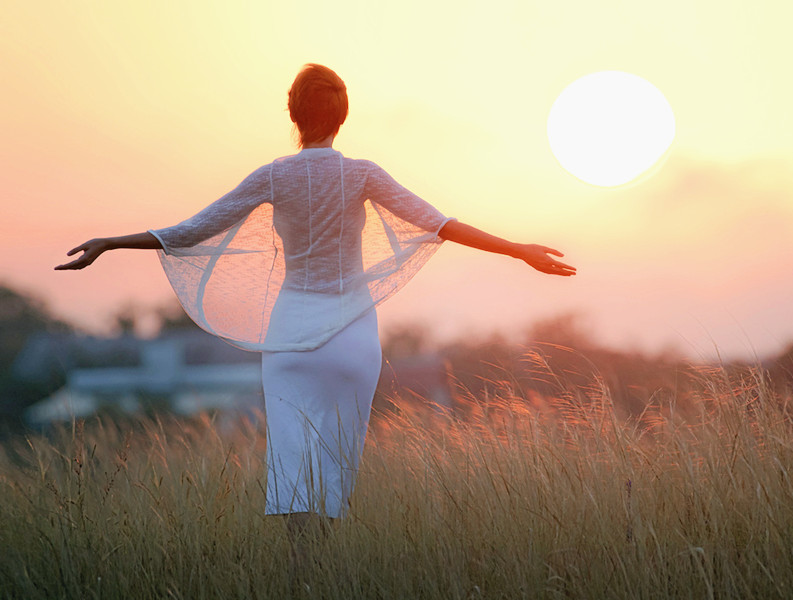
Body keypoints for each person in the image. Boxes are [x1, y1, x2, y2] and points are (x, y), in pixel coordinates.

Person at [56, 64, 576, 532]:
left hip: (289, 338)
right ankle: (327, 573)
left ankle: (300, 574)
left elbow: (192, 231)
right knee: (335, 465)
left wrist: (111, 241)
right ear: (343, 115)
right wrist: (518, 250)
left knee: (291, 468)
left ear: (292, 113)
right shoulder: (362, 173)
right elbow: (440, 225)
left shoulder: (274, 175)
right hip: (351, 338)